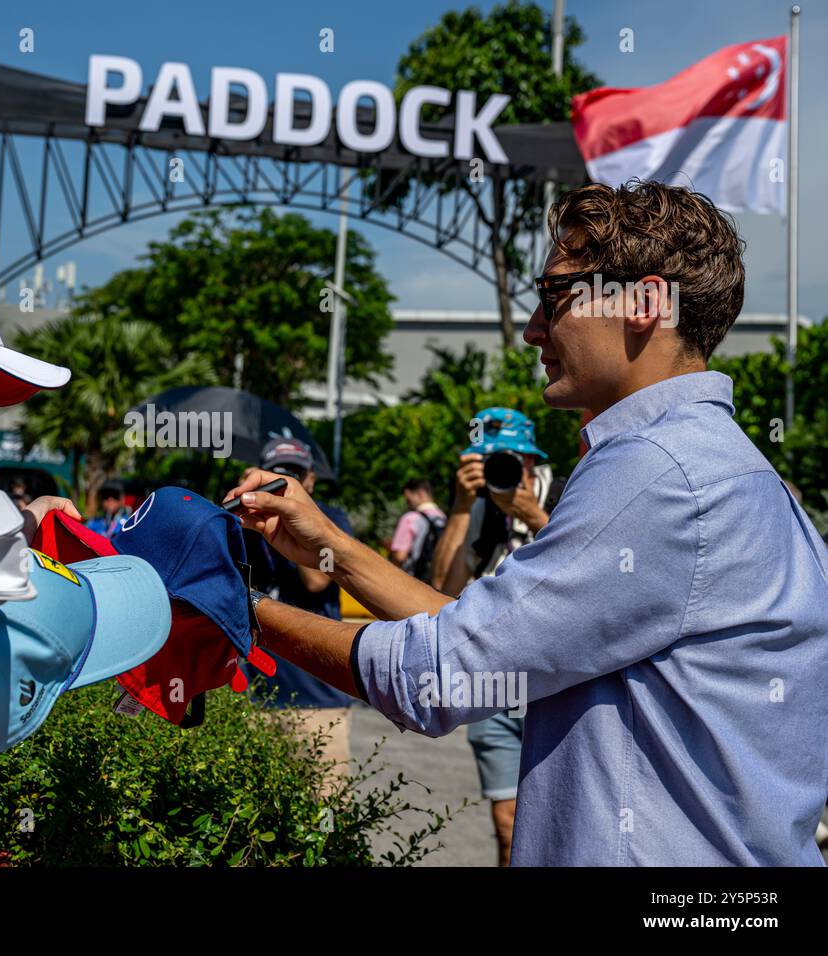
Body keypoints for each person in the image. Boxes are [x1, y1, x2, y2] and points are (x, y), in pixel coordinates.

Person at [226, 180, 828, 866]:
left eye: (554, 295)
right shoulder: (722, 467)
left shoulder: (657, 471)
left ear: (646, 303)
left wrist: (233, 606)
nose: (536, 328)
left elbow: (441, 672)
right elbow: (489, 642)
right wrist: (332, 546)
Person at [429, 409, 561, 865]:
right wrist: (462, 508)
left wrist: (532, 514)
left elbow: (587, 569)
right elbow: (441, 592)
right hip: (495, 683)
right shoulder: (478, 511)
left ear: (530, 461)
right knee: (509, 827)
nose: (497, 472)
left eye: (506, 461)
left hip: (557, 684)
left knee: (564, 823)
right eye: (486, 462)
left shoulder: (570, 496)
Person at [244, 438, 356, 789]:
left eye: (295, 473)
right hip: (259, 696)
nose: (286, 481)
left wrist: (287, 517)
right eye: (278, 473)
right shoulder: (249, 524)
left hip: (318, 700)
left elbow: (316, 581)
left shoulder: (331, 520)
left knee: (326, 817)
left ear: (310, 480)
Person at [388, 478, 445, 582]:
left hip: (414, 580)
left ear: (421, 494)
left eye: (408, 500)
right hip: (438, 581)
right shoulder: (444, 518)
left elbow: (399, 557)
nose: (407, 504)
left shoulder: (410, 518)